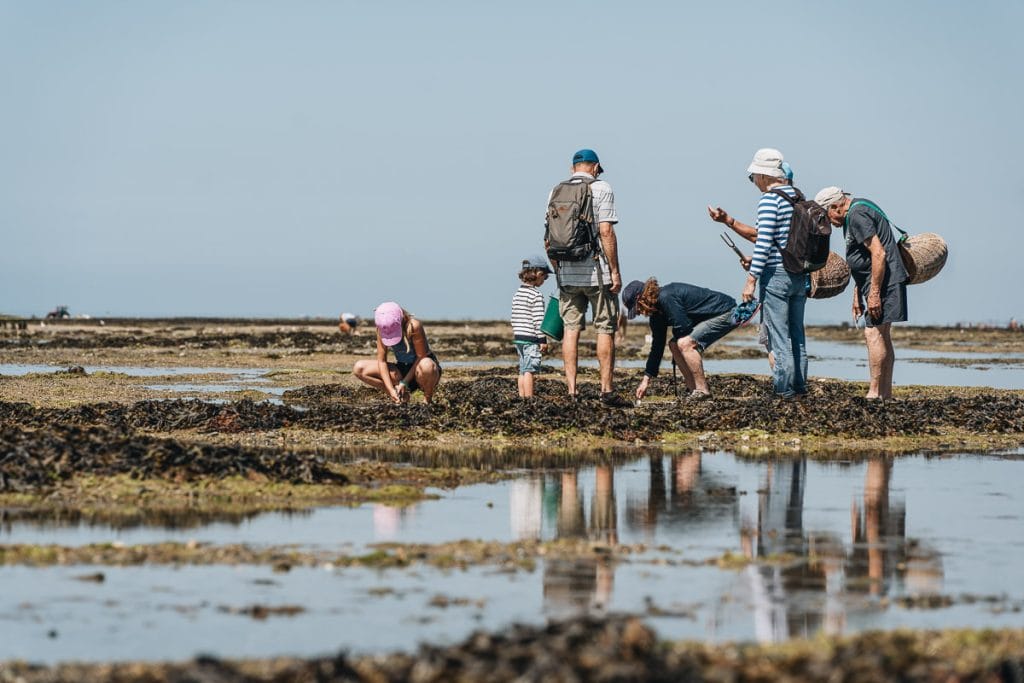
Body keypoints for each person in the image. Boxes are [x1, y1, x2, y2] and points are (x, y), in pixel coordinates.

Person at [707, 148, 807, 399]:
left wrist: (751, 280)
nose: (754, 183)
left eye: (753, 177)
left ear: (763, 175)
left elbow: (763, 242)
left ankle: (783, 390)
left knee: (778, 335)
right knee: (797, 334)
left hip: (776, 275)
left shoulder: (770, 200)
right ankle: (800, 389)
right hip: (799, 274)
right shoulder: (797, 196)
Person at [547, 149, 628, 407]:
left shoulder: (556, 191)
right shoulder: (602, 188)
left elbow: (549, 237)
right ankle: (606, 390)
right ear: (595, 167)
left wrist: (558, 268)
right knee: (605, 328)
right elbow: (606, 231)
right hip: (597, 273)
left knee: (571, 330)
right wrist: (615, 271)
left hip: (567, 273)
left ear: (573, 168)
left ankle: (572, 390)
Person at [815, 187, 908, 400]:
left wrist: (874, 293)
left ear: (835, 206)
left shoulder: (857, 215)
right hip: (879, 282)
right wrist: (858, 293)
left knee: (873, 333)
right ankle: (885, 394)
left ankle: (875, 393)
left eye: (826, 216)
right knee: (882, 334)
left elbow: (878, 252)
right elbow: (863, 258)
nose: (828, 223)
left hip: (885, 283)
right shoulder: (858, 209)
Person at [622, 278, 739, 400]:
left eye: (637, 308)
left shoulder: (666, 296)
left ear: (642, 298)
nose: (640, 313)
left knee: (684, 343)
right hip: (710, 317)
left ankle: (702, 391)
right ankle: (693, 390)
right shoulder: (656, 315)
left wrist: (678, 342)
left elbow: (683, 327)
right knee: (673, 344)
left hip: (726, 311)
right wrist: (645, 380)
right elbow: (657, 348)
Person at [352, 301, 441, 404]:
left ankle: (427, 399)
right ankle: (399, 394)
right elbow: (382, 362)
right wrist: (390, 389)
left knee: (427, 365)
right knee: (359, 368)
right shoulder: (382, 329)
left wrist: (404, 382)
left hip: (421, 368)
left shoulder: (413, 326)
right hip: (402, 367)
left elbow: (421, 356)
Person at [511, 256, 552, 398]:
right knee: (530, 370)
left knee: (523, 370)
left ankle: (522, 396)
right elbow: (539, 320)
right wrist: (542, 340)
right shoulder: (536, 295)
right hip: (531, 339)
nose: (544, 280)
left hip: (519, 337)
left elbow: (514, 316)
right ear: (539, 274)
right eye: (545, 277)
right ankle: (529, 398)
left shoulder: (517, 293)